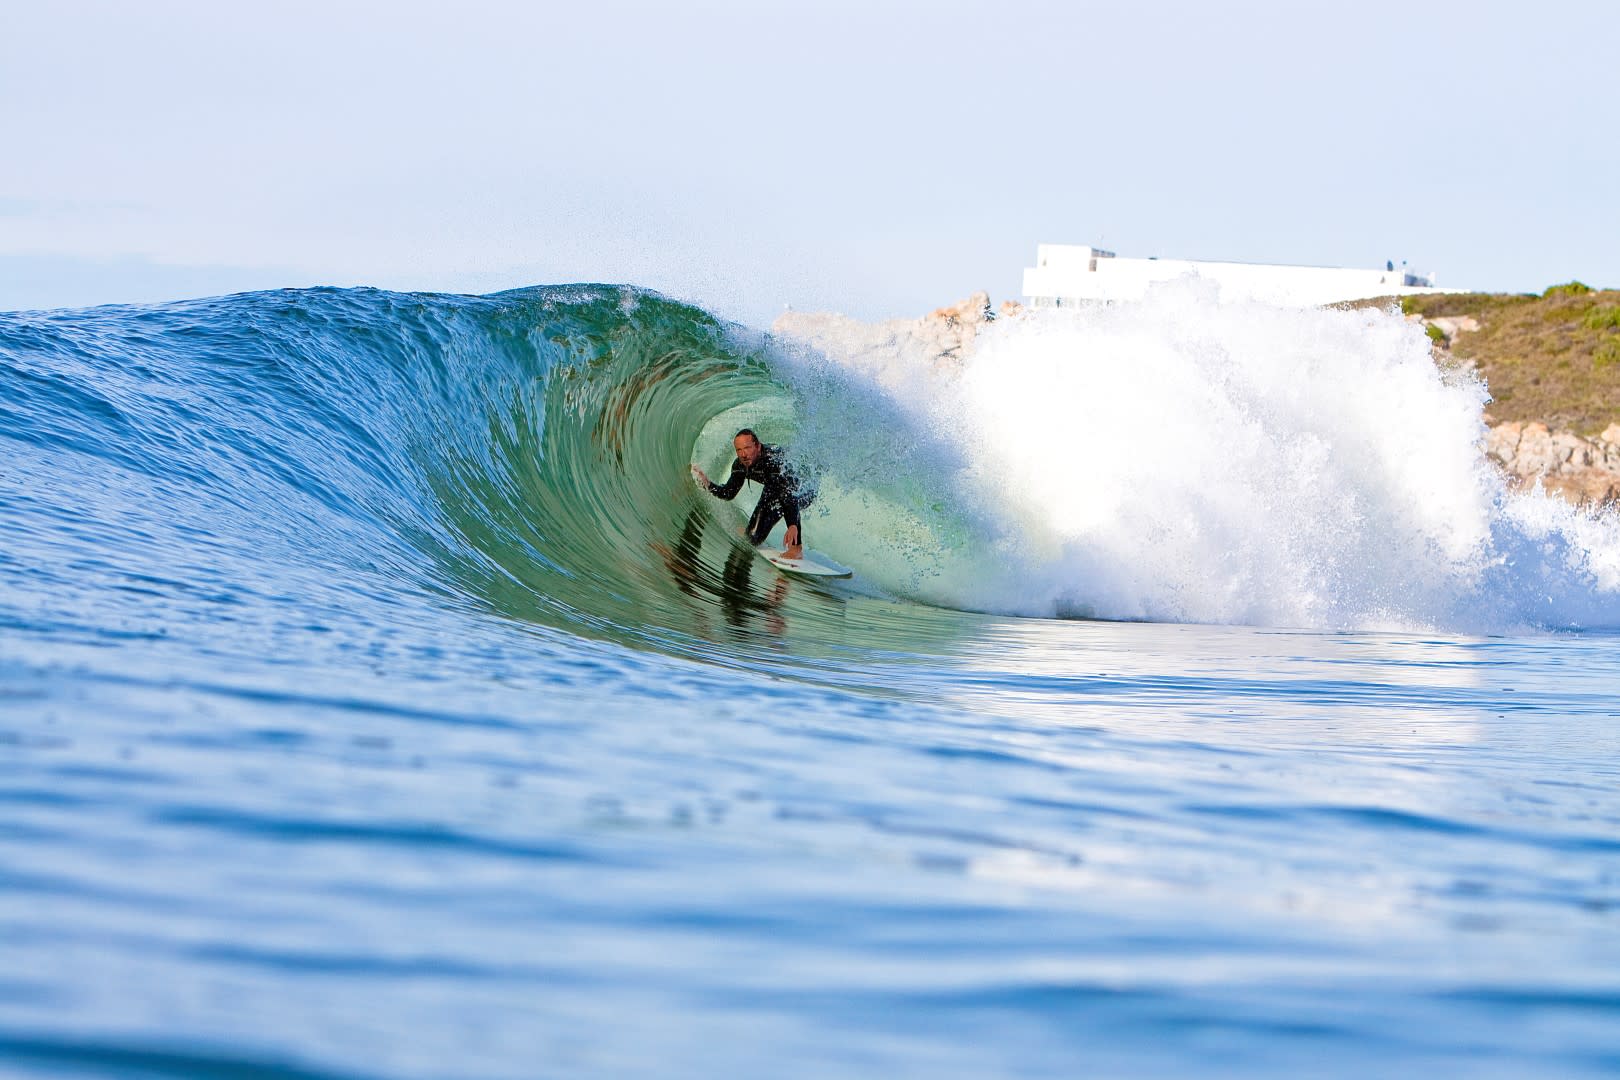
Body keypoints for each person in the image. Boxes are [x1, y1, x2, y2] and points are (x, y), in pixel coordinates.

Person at [692, 429, 811, 559]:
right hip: (774, 488)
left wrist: (793, 524)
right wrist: (708, 484)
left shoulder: (773, 461)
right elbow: (729, 493)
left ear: (758, 446)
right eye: (739, 450)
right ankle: (751, 530)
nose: (743, 454)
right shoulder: (741, 464)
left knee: (786, 498)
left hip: (804, 486)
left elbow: (789, 494)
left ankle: (796, 548)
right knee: (752, 539)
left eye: (747, 448)